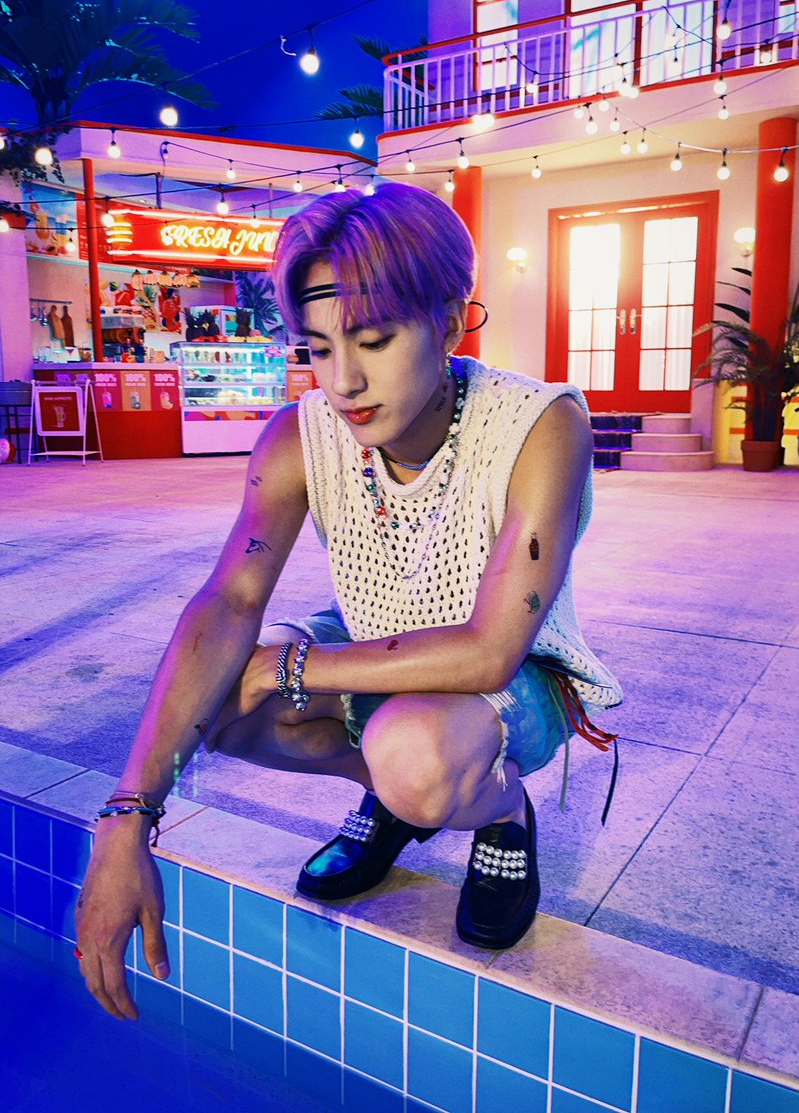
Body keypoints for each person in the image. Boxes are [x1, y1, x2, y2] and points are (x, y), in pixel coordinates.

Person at [75, 184, 622, 1021]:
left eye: (373, 340)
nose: (343, 381)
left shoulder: (540, 424)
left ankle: (499, 808)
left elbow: (487, 651)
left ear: (449, 320)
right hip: (377, 639)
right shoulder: (299, 436)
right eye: (318, 347)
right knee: (213, 696)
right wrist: (126, 817)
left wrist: (289, 667)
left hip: (514, 675)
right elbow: (228, 597)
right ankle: (400, 799)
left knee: (412, 749)